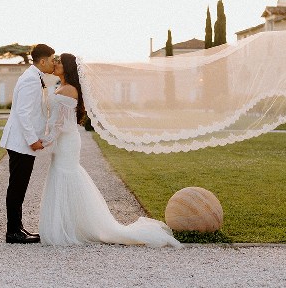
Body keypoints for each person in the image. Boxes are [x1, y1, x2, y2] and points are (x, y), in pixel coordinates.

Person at [38, 53, 182, 248]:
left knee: (66, 176)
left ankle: (71, 227)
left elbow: (60, 124)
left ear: (68, 68)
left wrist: (43, 141)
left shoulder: (69, 90)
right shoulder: (61, 87)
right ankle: (68, 224)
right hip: (65, 140)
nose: (56, 64)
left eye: (59, 62)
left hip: (67, 141)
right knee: (62, 175)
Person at [0, 43, 55, 244]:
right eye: (51, 59)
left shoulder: (34, 77)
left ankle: (18, 227)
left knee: (19, 186)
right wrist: (32, 140)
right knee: (17, 187)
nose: (53, 63)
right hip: (21, 142)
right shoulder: (31, 80)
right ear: (42, 61)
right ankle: (12, 232)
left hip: (21, 142)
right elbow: (22, 113)